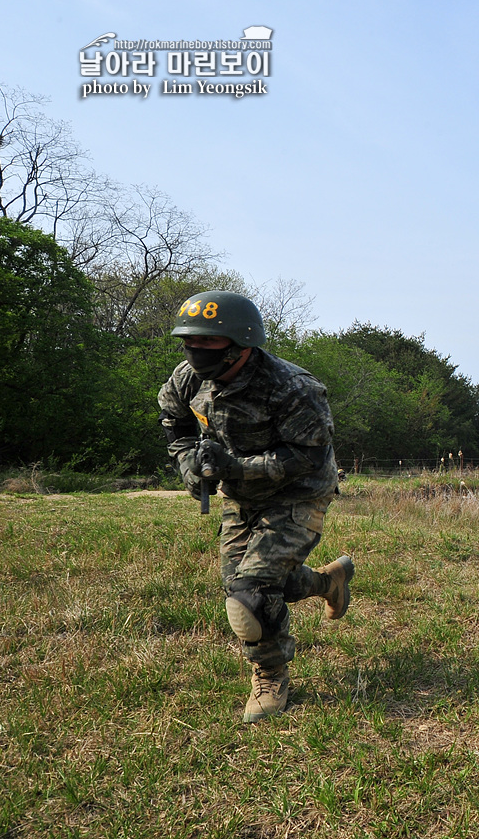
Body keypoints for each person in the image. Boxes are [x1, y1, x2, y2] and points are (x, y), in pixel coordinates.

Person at [158, 290, 352, 722]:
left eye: (210, 343)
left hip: (297, 492)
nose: (196, 351)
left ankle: (270, 676)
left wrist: (236, 466)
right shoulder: (188, 378)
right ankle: (328, 582)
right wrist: (192, 466)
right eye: (190, 342)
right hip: (241, 496)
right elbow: (176, 424)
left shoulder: (294, 388)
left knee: (249, 597)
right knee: (248, 585)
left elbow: (307, 457)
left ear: (241, 344)